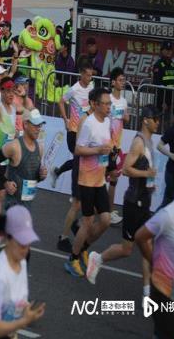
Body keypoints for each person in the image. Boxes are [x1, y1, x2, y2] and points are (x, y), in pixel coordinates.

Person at [86, 105, 160, 295]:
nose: (158, 122)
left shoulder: (149, 141)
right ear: (146, 120)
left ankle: (147, 292)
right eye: (155, 119)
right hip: (133, 203)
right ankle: (98, 258)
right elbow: (126, 169)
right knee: (127, 249)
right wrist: (147, 174)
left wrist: (150, 183)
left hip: (144, 201)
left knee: (147, 245)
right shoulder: (139, 143)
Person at [135, 163, 174, 339]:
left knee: (163, 333)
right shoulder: (167, 216)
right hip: (162, 290)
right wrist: (154, 262)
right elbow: (140, 237)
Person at [0, 206, 45, 338]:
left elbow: (17, 301)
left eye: (28, 242)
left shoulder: (22, 262)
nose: (26, 249)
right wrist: (23, 321)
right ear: (7, 238)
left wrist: (26, 310)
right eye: (22, 243)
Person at [65, 87, 112, 277]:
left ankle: (83, 247)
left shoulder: (107, 121)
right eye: (105, 104)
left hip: (100, 179)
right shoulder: (88, 124)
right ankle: (73, 259)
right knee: (88, 222)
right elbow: (78, 150)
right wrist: (98, 151)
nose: (109, 107)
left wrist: (109, 162)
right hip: (86, 180)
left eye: (110, 103)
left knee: (106, 220)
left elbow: (105, 146)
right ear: (95, 104)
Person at [0, 109, 47, 211]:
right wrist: (5, 182)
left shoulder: (40, 148)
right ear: (25, 124)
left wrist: (41, 176)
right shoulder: (14, 146)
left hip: (28, 205)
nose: (38, 128)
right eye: (35, 125)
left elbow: (33, 178)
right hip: (13, 205)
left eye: (40, 125)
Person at [50, 63, 94, 187]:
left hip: (85, 130)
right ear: (82, 74)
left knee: (80, 161)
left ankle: (58, 173)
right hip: (74, 130)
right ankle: (76, 191)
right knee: (79, 160)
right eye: (88, 75)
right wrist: (66, 120)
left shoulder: (91, 87)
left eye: (91, 75)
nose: (90, 78)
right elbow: (61, 102)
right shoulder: (74, 89)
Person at [0, 75, 24, 213]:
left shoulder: (13, 108)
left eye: (12, 91)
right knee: (0, 194)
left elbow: (25, 109)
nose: (11, 94)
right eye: (7, 91)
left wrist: (23, 94)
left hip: (7, 158)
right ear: (1, 91)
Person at [108, 67, 130, 226]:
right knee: (111, 177)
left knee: (111, 177)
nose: (123, 82)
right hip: (106, 145)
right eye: (120, 80)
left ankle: (106, 210)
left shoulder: (123, 101)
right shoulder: (107, 99)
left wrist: (124, 116)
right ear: (113, 82)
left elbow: (126, 119)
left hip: (117, 145)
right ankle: (107, 212)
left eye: (124, 80)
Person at [152, 41, 174, 115]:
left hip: (172, 100)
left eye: (170, 50)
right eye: (166, 50)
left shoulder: (173, 65)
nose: (169, 52)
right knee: (161, 120)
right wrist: (162, 101)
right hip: (162, 101)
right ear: (162, 51)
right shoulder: (158, 65)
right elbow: (156, 83)